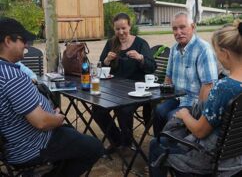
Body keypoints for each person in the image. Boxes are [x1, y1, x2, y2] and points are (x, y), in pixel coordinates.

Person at [0, 17, 104, 177]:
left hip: (14, 143)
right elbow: (42, 122)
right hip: (31, 146)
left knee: (72, 136)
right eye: (23, 40)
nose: (26, 45)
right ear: (8, 41)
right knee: (95, 148)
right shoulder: (12, 76)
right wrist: (57, 118)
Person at [149, 20, 242, 177]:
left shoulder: (224, 87)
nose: (217, 57)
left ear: (225, 53)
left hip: (213, 161)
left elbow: (200, 131)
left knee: (155, 145)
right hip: (237, 156)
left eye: (217, 52)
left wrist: (184, 114)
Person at [92, 12, 156, 152]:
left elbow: (152, 67)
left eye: (123, 28)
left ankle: (126, 142)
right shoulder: (111, 43)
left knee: (124, 109)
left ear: (129, 27)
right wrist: (107, 60)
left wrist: (140, 58)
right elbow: (101, 68)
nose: (121, 32)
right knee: (97, 109)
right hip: (114, 89)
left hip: (136, 90)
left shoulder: (140, 43)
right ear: (114, 29)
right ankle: (116, 140)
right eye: (117, 29)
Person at [152, 11, 218, 136]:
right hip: (177, 97)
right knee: (158, 111)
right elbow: (168, 77)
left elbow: (208, 85)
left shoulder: (204, 49)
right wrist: (164, 98)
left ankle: (172, 148)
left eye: (182, 27)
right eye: (175, 29)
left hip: (194, 102)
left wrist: (198, 113)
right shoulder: (173, 49)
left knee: (171, 116)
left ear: (193, 27)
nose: (178, 32)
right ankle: (159, 143)